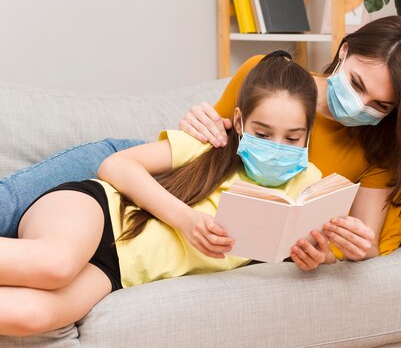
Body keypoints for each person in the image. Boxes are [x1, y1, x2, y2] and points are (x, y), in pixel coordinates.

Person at [0, 15, 401, 261]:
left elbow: (363, 238)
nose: (361, 106)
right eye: (359, 86)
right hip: (144, 169)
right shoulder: (267, 74)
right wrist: (196, 119)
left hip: (165, 220)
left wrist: (356, 249)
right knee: (8, 203)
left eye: (380, 106)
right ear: (344, 51)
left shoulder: (380, 149)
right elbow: (210, 149)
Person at [0, 52, 330, 336]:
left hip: (120, 270)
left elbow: (323, 247)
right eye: (263, 133)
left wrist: (318, 256)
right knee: (55, 264)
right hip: (103, 212)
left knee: (33, 315)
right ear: (241, 122)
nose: (275, 147)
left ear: (308, 135)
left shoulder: (309, 184)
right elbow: (115, 165)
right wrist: (186, 220)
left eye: (291, 139)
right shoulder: (210, 144)